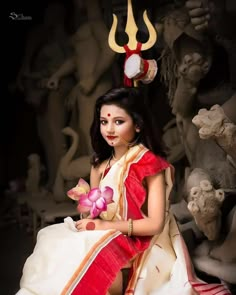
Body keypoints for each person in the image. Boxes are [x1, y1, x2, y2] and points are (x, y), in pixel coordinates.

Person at [16, 88, 231, 295]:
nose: (109, 129)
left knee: (94, 262)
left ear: (137, 125)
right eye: (104, 122)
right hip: (105, 234)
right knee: (55, 244)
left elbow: (155, 224)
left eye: (118, 122)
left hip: (145, 241)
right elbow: (94, 212)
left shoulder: (150, 166)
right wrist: (88, 210)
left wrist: (104, 225)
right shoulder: (99, 165)